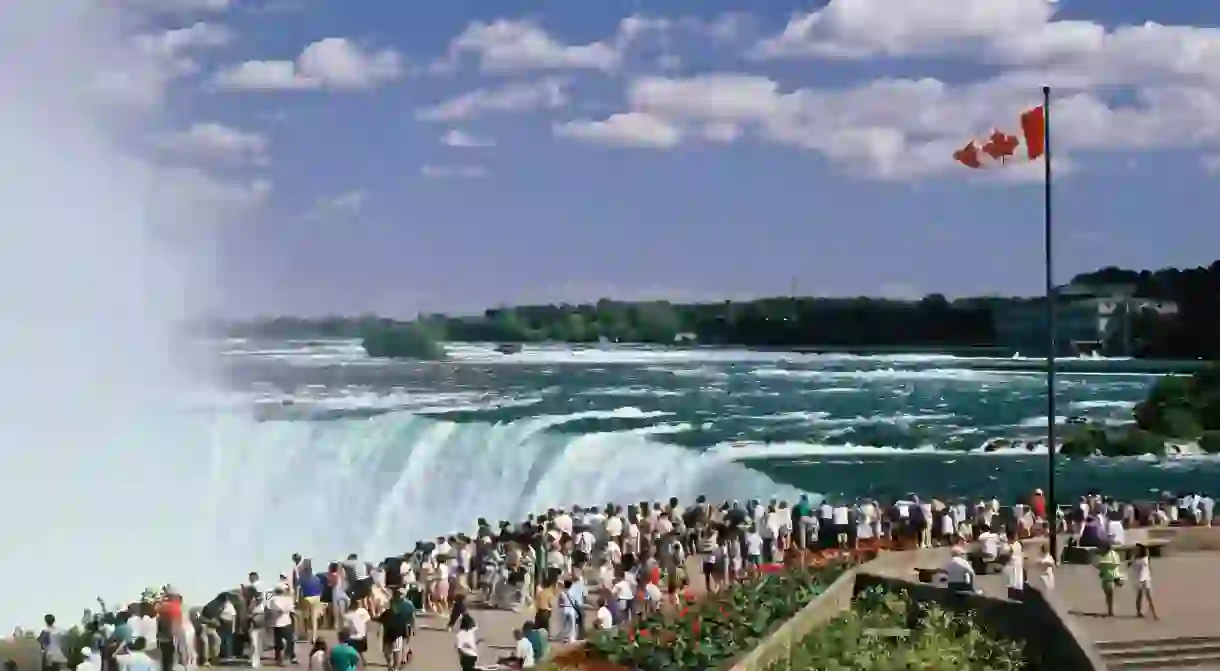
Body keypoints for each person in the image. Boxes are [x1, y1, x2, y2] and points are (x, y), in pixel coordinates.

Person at [380, 589, 415, 671]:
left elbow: (412, 617)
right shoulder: (391, 603)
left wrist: (412, 628)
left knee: (399, 648)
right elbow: (383, 616)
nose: (399, 595)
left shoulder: (408, 605)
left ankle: (398, 664)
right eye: (398, 593)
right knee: (389, 652)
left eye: (401, 594)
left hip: (402, 629)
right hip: (391, 631)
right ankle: (395, 662)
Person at [1130, 544, 1159, 620]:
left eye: (1137, 549)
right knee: (1139, 597)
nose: (1135, 550)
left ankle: (1154, 613)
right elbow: (1131, 567)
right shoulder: (1134, 558)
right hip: (1138, 579)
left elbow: (1148, 565)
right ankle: (1138, 612)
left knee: (1149, 597)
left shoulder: (1145, 558)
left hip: (1145, 579)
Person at [1095, 542, 1124, 617]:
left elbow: (1117, 565)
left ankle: (1110, 611)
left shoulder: (1114, 554)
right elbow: (1098, 565)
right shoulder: (1101, 555)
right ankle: (1110, 608)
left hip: (1111, 577)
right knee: (1108, 594)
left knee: (1110, 594)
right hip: (1104, 577)